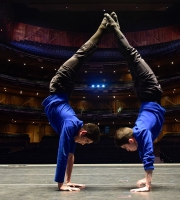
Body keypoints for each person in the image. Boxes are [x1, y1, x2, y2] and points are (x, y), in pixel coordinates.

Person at [42, 16, 108, 191]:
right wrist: (60, 184)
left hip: (63, 89)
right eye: (86, 141)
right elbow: (62, 153)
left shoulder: (74, 132)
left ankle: (103, 28)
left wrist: (68, 180)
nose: (83, 144)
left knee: (83, 57)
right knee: (82, 54)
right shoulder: (71, 126)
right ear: (83, 132)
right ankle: (103, 27)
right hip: (60, 83)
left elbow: (70, 155)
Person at [104, 12, 166, 192]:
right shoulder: (139, 135)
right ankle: (116, 27)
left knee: (132, 55)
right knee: (130, 57)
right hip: (146, 93)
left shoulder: (142, 131)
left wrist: (148, 183)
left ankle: (115, 27)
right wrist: (145, 179)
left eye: (125, 147)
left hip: (149, 90)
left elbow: (148, 154)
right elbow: (143, 151)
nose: (126, 149)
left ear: (131, 139)